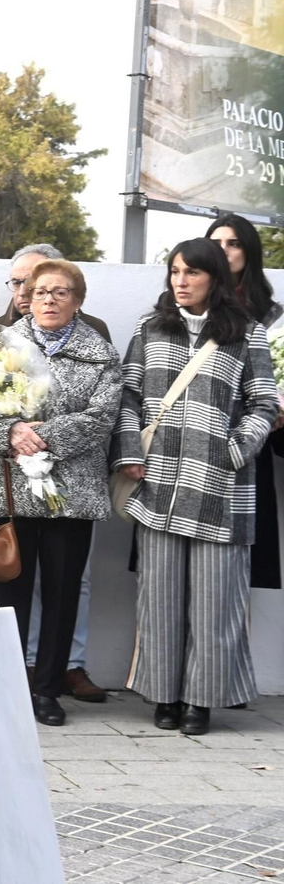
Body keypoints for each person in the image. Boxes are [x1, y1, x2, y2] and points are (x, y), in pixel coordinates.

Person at [114, 238, 277, 735]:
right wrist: (130, 453)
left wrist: (233, 451)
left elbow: (264, 404)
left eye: (192, 272)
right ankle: (163, 695)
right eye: (175, 271)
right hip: (158, 484)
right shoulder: (150, 327)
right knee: (159, 598)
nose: (181, 281)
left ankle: (200, 701)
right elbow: (129, 396)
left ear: (215, 278)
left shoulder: (247, 333)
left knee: (215, 601)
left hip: (221, 488)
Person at [0, 260, 122, 727]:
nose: (49, 300)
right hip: (11, 486)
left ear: (78, 301)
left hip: (72, 490)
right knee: (9, 589)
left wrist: (42, 437)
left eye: (61, 292)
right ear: (28, 298)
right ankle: (5, 687)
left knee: (62, 592)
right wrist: (11, 432)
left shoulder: (101, 354)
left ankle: (47, 690)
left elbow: (102, 418)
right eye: (41, 292)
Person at [207, 213, 284, 592]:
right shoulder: (181, 308)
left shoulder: (272, 316)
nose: (224, 251)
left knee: (239, 576)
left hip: (250, 452)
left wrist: (276, 408)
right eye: (216, 243)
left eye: (233, 243)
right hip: (191, 448)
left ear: (249, 252)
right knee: (176, 575)